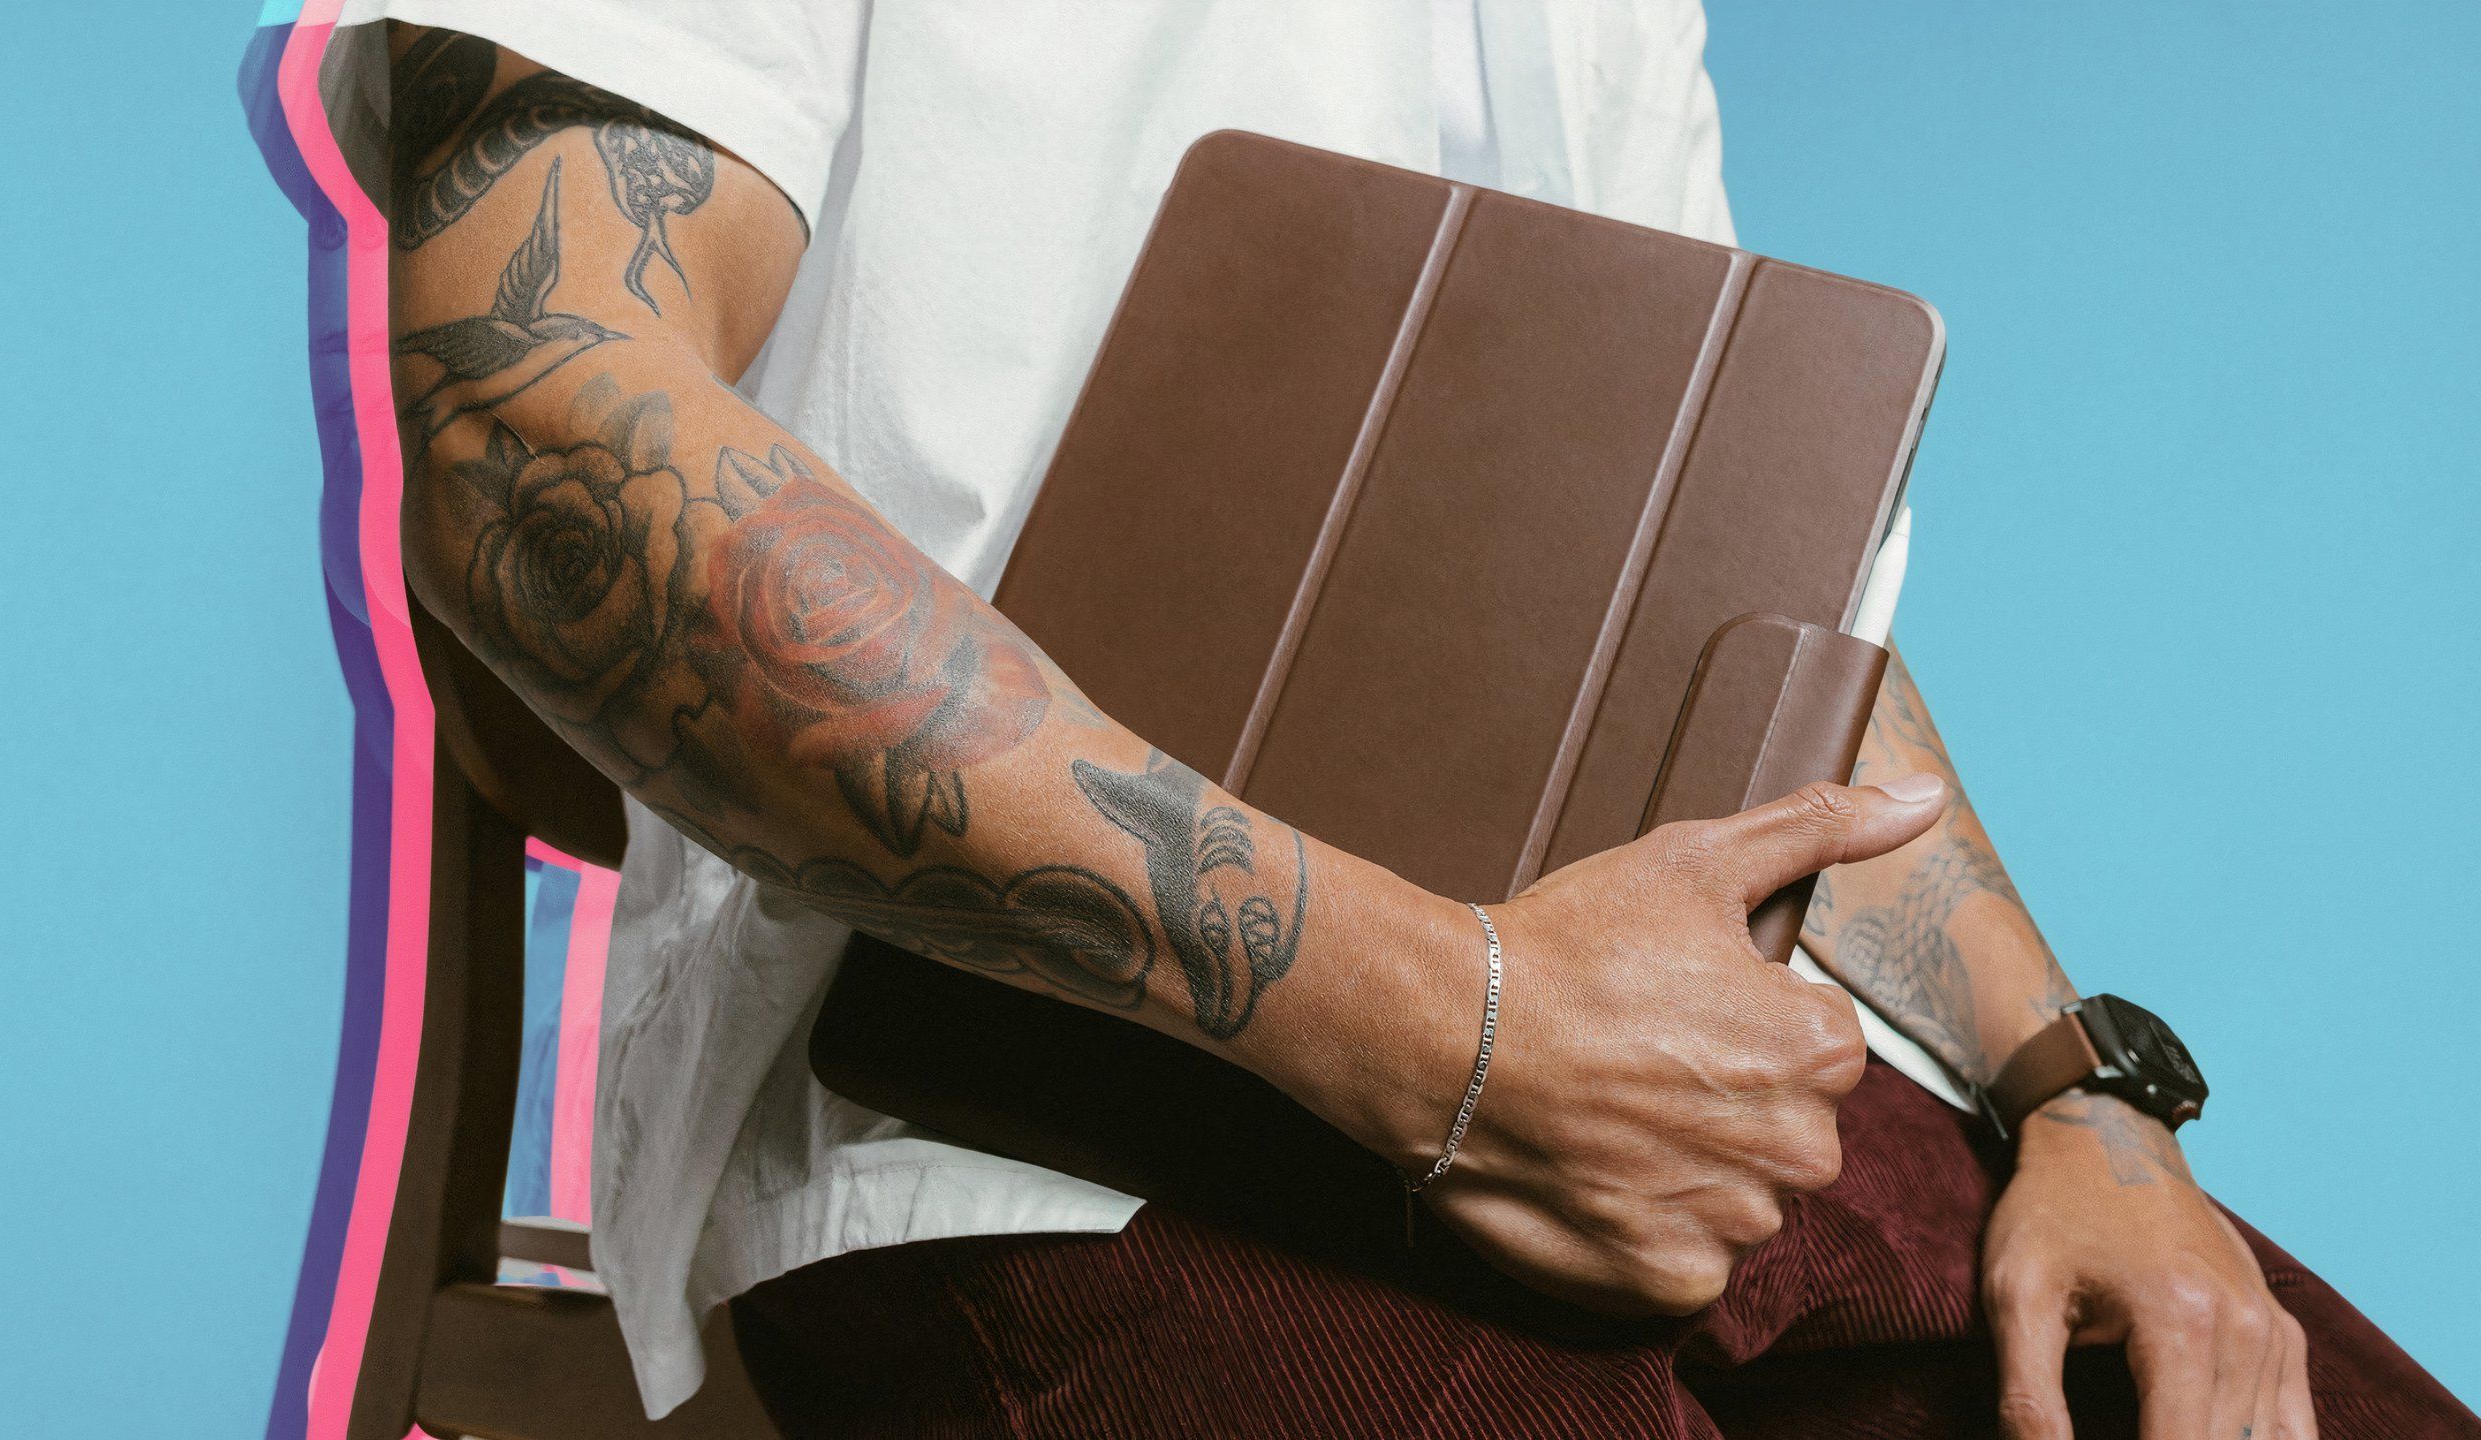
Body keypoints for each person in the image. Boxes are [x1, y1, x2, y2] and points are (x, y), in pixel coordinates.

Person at [340, 1, 2473, 1434]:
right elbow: (543, 438)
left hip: (1702, 1108)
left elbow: (1759, 614)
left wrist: (2080, 1099)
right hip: (1035, 1129)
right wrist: (1440, 1024)